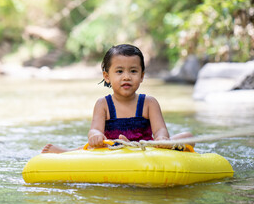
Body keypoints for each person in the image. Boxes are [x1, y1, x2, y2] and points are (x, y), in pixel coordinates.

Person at [42, 44, 193, 153]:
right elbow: (95, 128)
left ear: (142, 76)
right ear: (107, 76)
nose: (126, 77)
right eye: (119, 71)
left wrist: (161, 138)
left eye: (133, 71)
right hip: (112, 148)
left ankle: (168, 146)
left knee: (188, 137)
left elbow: (160, 129)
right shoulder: (103, 104)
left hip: (145, 148)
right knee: (92, 146)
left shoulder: (149, 103)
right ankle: (66, 152)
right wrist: (95, 135)